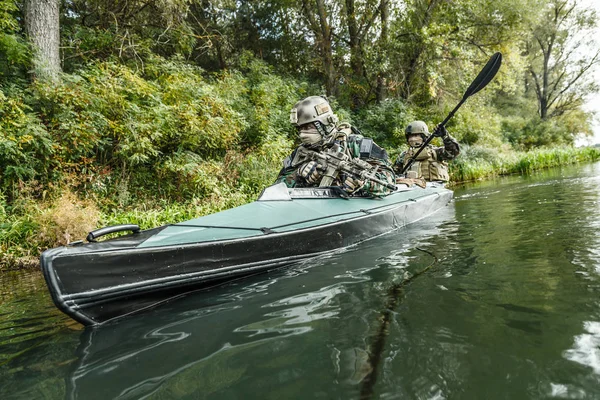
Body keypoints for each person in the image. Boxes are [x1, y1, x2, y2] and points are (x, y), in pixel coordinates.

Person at [276, 95, 395, 197]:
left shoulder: (357, 144)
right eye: (299, 129)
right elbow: (276, 188)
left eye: (308, 127)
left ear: (325, 124)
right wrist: (298, 175)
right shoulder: (300, 152)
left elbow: (389, 180)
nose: (302, 134)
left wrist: (363, 183)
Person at [393, 120, 460, 182]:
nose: (412, 139)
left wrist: (445, 135)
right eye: (410, 136)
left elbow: (453, 152)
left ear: (424, 136)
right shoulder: (404, 155)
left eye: (416, 135)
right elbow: (394, 173)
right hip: (412, 189)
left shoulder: (435, 151)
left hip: (433, 187)